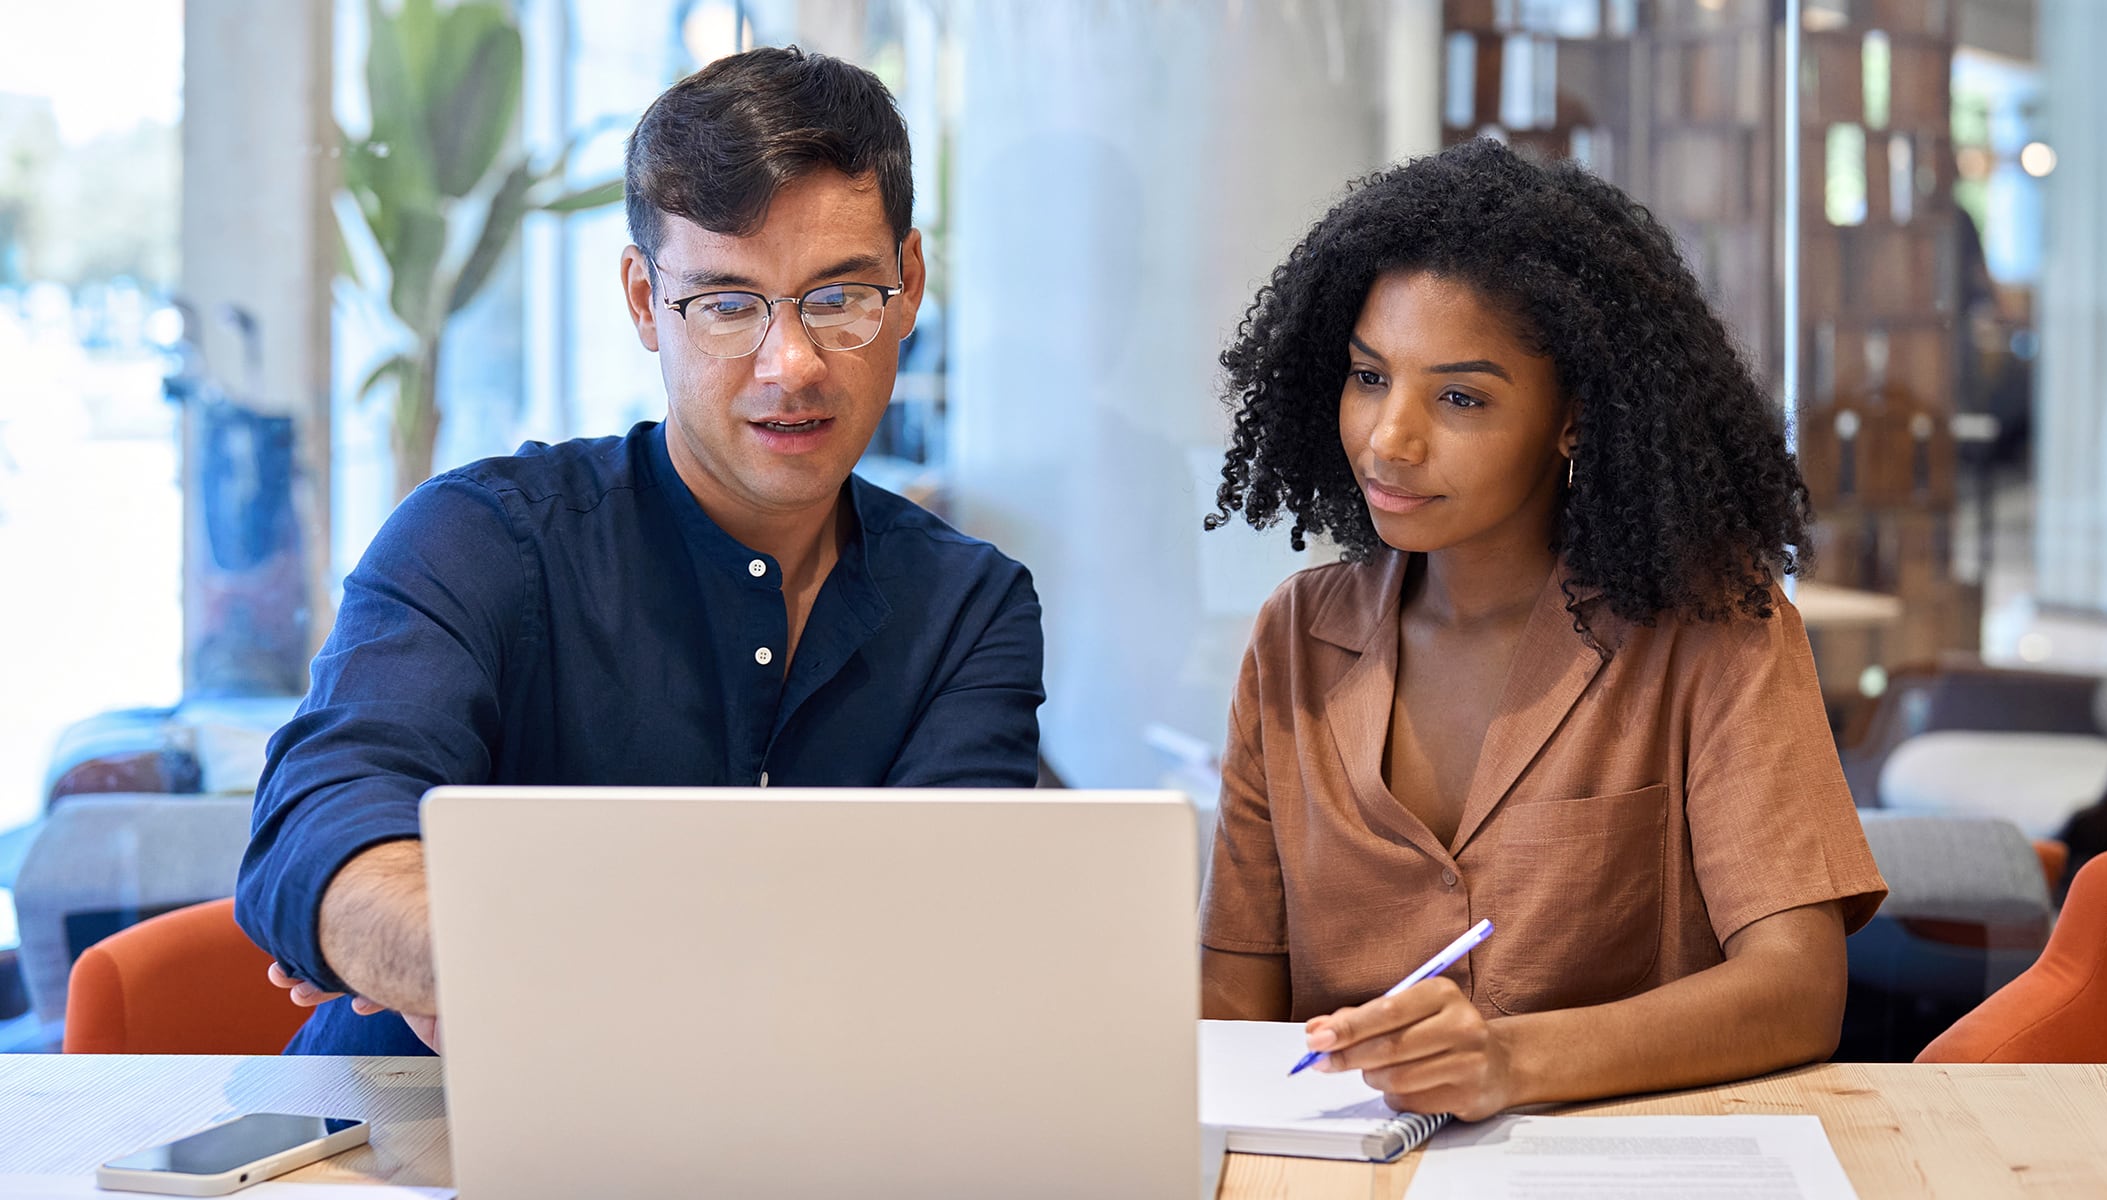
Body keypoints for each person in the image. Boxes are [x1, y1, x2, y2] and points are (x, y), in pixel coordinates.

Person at [235, 47, 1045, 1057]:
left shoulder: (970, 608)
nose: (788, 366)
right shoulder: (481, 537)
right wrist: (379, 919)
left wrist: (505, 956)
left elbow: (944, 943)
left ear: (908, 284)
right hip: (418, 1144)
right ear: (640, 301)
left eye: (838, 298)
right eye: (726, 305)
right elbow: (322, 831)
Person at [1198, 139, 1887, 1121]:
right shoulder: (1295, 640)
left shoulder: (1708, 625)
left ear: (1573, 419)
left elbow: (1797, 988)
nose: (1390, 437)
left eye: (1461, 397)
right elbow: (1233, 1001)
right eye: (1367, 377)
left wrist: (1510, 1061)